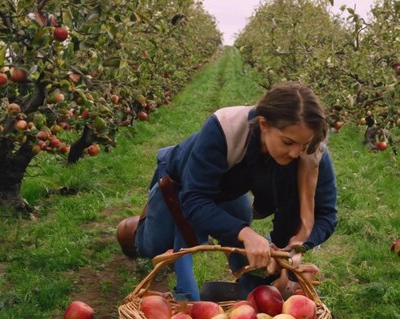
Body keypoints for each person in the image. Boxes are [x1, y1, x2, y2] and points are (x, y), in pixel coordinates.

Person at [133, 82, 338, 300]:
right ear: (263, 124)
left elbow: (325, 213)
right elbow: (195, 200)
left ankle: (249, 287)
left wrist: (296, 248)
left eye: (303, 144)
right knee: (154, 245)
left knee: (239, 228)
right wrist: (246, 234)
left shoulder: (310, 152)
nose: (296, 152)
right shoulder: (225, 127)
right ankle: (133, 229)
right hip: (179, 184)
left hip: (230, 190)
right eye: (287, 142)